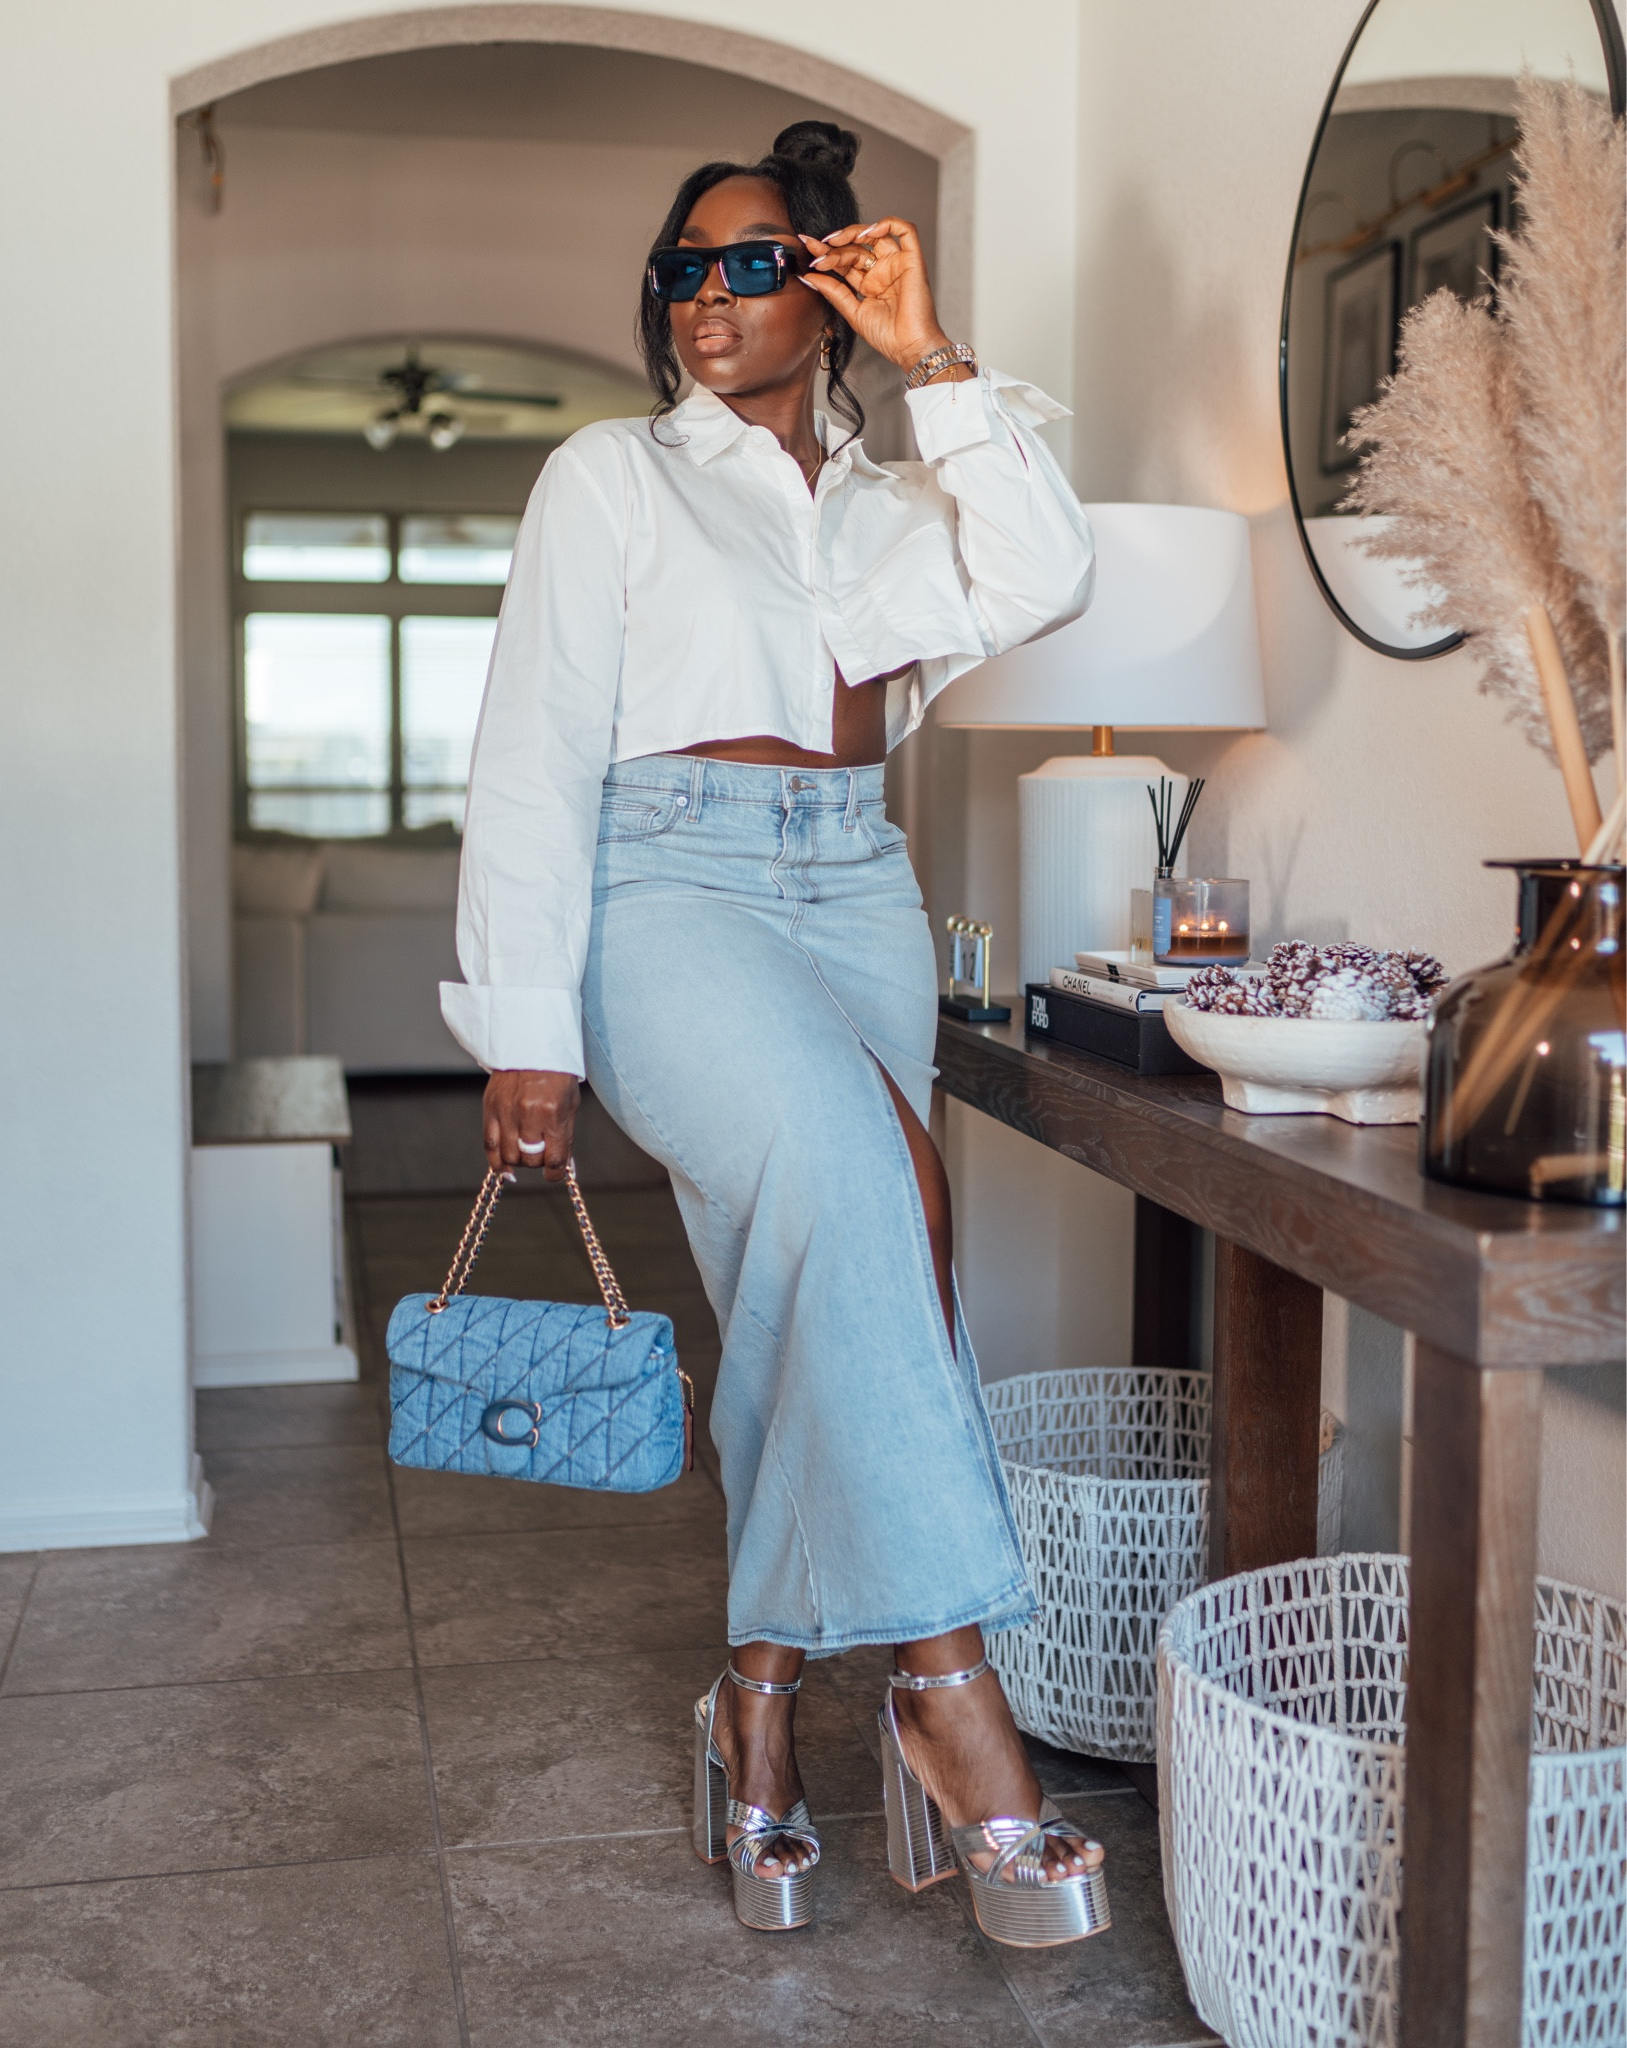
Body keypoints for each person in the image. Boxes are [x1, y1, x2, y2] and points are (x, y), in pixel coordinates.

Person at [441, 120, 1107, 1948]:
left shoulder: (908, 498)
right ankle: (947, 1686)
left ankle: (754, 1704)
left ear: (827, 282)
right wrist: (524, 1027)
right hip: (662, 887)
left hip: (857, 886)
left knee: (829, 1277)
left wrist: (935, 361)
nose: (704, 297)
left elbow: (1050, 569)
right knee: (863, 1196)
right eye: (683, 268)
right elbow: (528, 755)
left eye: (749, 263)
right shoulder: (608, 477)